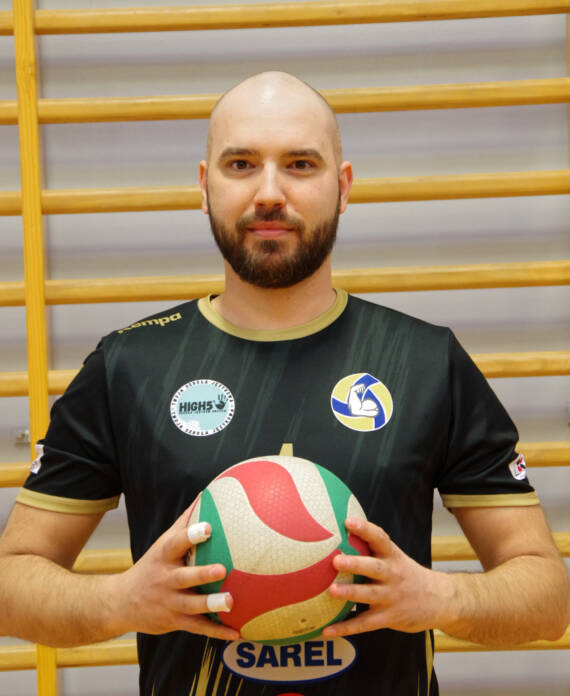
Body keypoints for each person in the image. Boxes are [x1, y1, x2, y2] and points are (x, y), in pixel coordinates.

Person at [0, 71, 568, 696]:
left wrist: (439, 597)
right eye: (241, 164)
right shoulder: (130, 366)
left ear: (342, 187)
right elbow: (11, 584)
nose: (269, 192)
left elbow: (548, 598)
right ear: (205, 186)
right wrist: (121, 600)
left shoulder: (425, 361)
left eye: (300, 164)